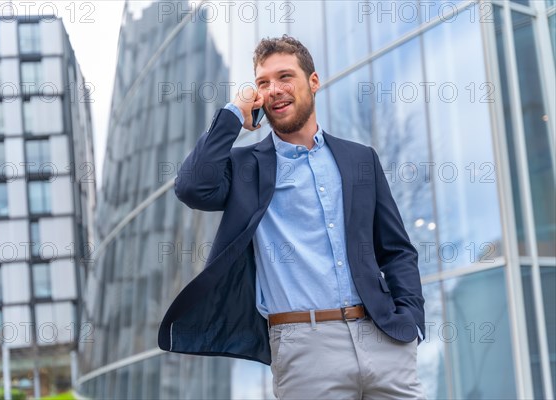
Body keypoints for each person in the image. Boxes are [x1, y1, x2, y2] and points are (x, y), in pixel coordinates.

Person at [159, 35, 426, 399]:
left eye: (285, 77)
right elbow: (192, 186)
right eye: (263, 83)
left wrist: (411, 322)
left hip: (383, 338)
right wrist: (235, 114)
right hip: (305, 349)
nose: (274, 90)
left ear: (313, 82)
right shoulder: (246, 168)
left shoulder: (360, 159)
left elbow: (396, 250)